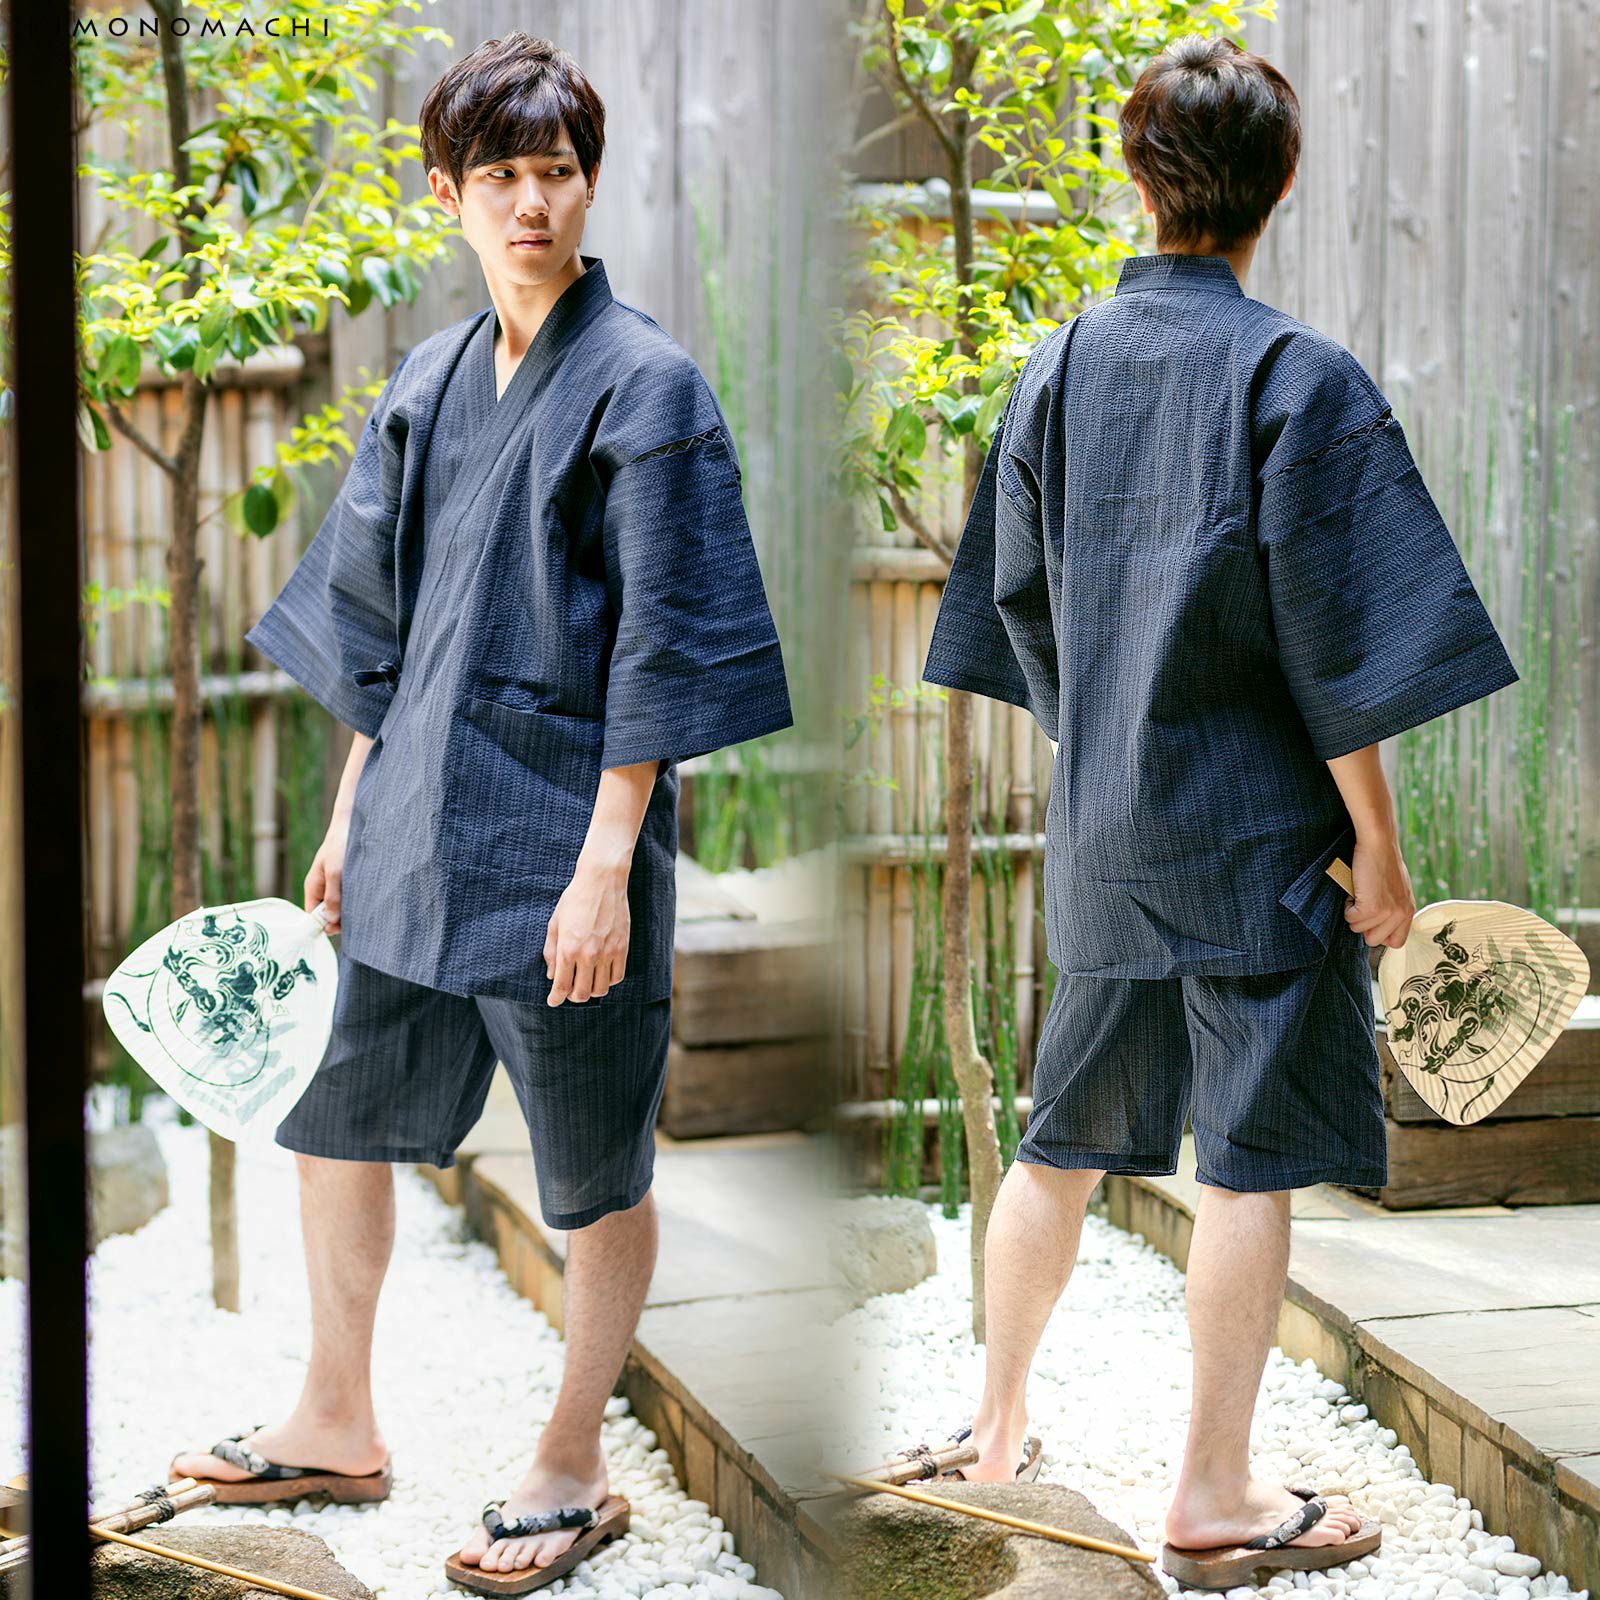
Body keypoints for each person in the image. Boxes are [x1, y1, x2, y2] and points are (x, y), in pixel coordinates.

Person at [171, 32, 793, 1595]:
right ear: (447, 194)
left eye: (558, 172)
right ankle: (336, 1415)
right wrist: (347, 815)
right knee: (334, 1119)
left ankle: (574, 1460)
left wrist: (607, 868)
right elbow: (381, 630)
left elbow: (664, 640)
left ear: (589, 185)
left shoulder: (646, 385)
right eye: (502, 175)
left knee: (594, 1163)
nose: (532, 204)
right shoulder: (430, 380)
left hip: (561, 840)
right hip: (414, 820)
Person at [916, 34, 1517, 1591]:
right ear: (1281, 184)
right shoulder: (1295, 379)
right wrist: (1379, 847)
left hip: (1113, 831)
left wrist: (1110, 733)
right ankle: (1214, 1490)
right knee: (1246, 1165)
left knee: (1058, 1144)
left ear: (1137, 177)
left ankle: (996, 1432)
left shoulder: (1056, 366)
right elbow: (1339, 645)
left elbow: (1020, 604)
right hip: (1261, 842)